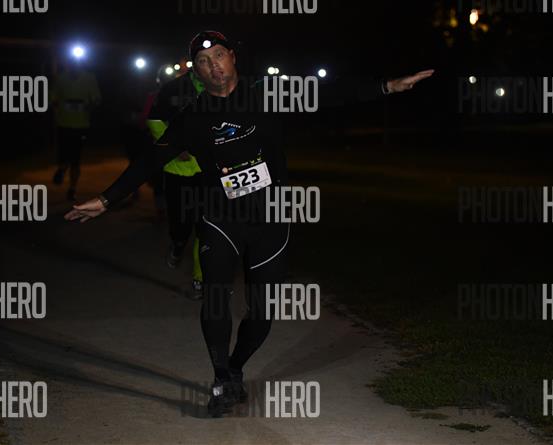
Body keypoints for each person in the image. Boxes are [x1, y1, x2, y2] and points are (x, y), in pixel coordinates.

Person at [65, 31, 433, 417]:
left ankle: (235, 368)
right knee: (216, 296)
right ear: (196, 72)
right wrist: (106, 200)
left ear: (232, 57)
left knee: (262, 312)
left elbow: (327, 93)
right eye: (204, 62)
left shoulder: (267, 94)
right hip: (219, 219)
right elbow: (149, 161)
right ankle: (221, 378)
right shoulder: (193, 117)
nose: (213, 66)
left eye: (219, 55)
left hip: (269, 220)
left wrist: (387, 86)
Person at [147, 67, 206, 299]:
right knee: (181, 225)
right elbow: (154, 120)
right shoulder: (173, 88)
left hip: (208, 173)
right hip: (177, 171)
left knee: (205, 228)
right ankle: (178, 244)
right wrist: (173, 147)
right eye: (203, 60)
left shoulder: (221, 88)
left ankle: (199, 279)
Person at [51, 59, 101, 201]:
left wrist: (90, 105)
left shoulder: (89, 78)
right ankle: (62, 169)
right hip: (63, 124)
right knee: (64, 155)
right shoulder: (60, 78)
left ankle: (72, 188)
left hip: (81, 125)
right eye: (71, 63)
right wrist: (56, 107)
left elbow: (96, 98)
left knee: (76, 159)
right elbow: (52, 97)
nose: (74, 66)